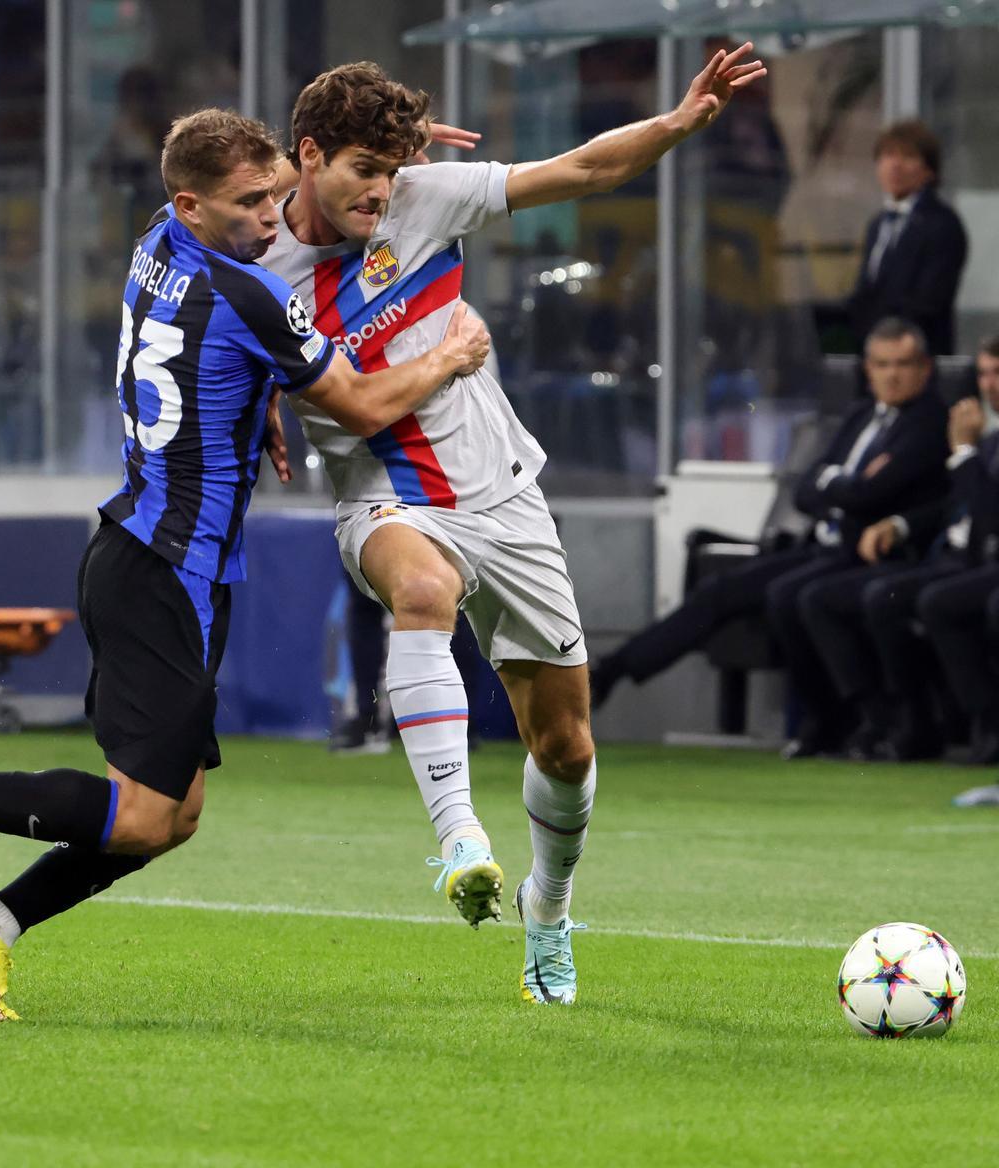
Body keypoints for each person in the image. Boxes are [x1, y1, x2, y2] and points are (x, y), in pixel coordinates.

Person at [0, 108, 490, 1022]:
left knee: (173, 818)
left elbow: (220, 325)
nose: (271, 217)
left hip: (170, 567)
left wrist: (257, 391)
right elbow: (360, 407)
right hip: (160, 570)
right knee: (143, 815)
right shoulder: (249, 295)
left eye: (274, 194)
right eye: (246, 203)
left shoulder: (159, 241)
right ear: (189, 203)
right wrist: (452, 356)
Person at [260, 49, 767, 1005]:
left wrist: (676, 122)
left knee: (567, 748)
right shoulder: (257, 255)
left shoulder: (424, 197)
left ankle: (550, 906)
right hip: (384, 498)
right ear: (309, 156)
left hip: (504, 494)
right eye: (362, 169)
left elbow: (579, 170)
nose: (380, 190)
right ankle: (458, 839)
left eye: (391, 168)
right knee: (420, 590)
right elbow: (189, 231)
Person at [591, 318, 950, 759]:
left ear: (926, 368)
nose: (891, 374)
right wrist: (844, 486)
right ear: (868, 369)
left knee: (789, 595)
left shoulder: (929, 423)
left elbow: (869, 492)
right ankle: (611, 671)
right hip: (820, 545)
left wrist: (836, 485)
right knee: (720, 590)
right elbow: (805, 490)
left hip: (866, 554)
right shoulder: (860, 416)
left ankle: (842, 720)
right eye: (882, 364)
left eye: (903, 364)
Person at [795, 335, 999, 762]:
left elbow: (990, 515)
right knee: (835, 597)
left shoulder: (957, 431)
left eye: (998, 373)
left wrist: (962, 451)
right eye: (984, 373)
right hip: (949, 556)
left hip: (980, 562)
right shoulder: (987, 434)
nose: (990, 384)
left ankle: (979, 723)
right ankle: (891, 719)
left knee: (937, 602)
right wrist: (902, 525)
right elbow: (951, 504)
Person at [846, 120, 968, 358]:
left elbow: (928, 301)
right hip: (872, 355)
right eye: (888, 155)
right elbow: (867, 289)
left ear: (929, 170)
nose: (895, 165)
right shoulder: (878, 224)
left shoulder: (942, 223)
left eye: (908, 156)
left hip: (919, 357)